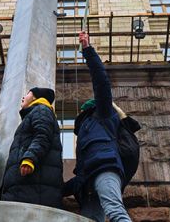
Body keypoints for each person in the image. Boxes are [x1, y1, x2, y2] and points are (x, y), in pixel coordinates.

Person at [63, 31, 132, 222]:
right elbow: (84, 167)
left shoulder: (102, 115)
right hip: (87, 183)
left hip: (105, 170)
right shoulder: (86, 130)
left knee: (115, 211)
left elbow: (101, 82)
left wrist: (87, 50)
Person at [1, 86, 63, 208]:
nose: (23, 97)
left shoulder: (41, 110)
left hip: (30, 184)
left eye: (27, 93)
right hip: (28, 185)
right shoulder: (37, 112)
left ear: (35, 97)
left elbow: (43, 135)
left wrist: (29, 158)